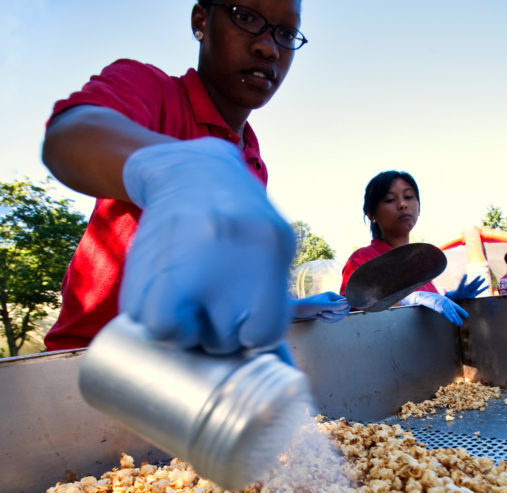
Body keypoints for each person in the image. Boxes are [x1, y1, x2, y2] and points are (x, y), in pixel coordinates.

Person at [42, 0, 347, 354]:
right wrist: (177, 171)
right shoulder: (153, 92)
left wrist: (284, 307)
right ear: (201, 20)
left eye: (285, 33)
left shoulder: (251, 159)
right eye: (246, 18)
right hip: (87, 364)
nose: (268, 47)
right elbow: (70, 137)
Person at [339, 171, 486, 326]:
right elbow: (351, 310)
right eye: (389, 199)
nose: (403, 204)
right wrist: (407, 300)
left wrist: (449, 298)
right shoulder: (363, 258)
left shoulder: (420, 263)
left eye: (408, 197)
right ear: (371, 214)